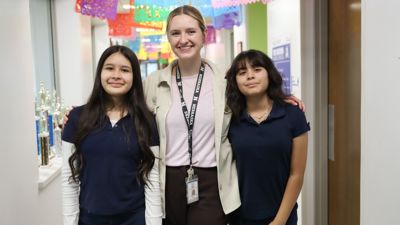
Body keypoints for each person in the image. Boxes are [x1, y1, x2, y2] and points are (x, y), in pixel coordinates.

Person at [143, 5, 304, 225]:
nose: (183, 39)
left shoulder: (224, 80)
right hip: (167, 180)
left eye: (191, 31)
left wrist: (283, 99)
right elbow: (127, 108)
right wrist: (82, 110)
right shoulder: (154, 82)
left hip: (212, 179)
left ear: (204, 35)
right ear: (168, 38)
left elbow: (254, 96)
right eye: (175, 33)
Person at [61, 45, 162, 225]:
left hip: (134, 219)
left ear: (134, 77)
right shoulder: (77, 118)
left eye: (124, 70)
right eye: (109, 68)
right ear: (100, 73)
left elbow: (152, 180)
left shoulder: (147, 121)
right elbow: (69, 180)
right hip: (89, 219)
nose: (116, 75)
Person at [225, 49, 310, 225]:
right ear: (235, 81)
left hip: (282, 215)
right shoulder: (229, 119)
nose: (250, 76)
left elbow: (297, 174)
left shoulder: (293, 115)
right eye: (242, 72)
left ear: (269, 74)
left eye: (257, 69)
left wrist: (279, 221)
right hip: (239, 217)